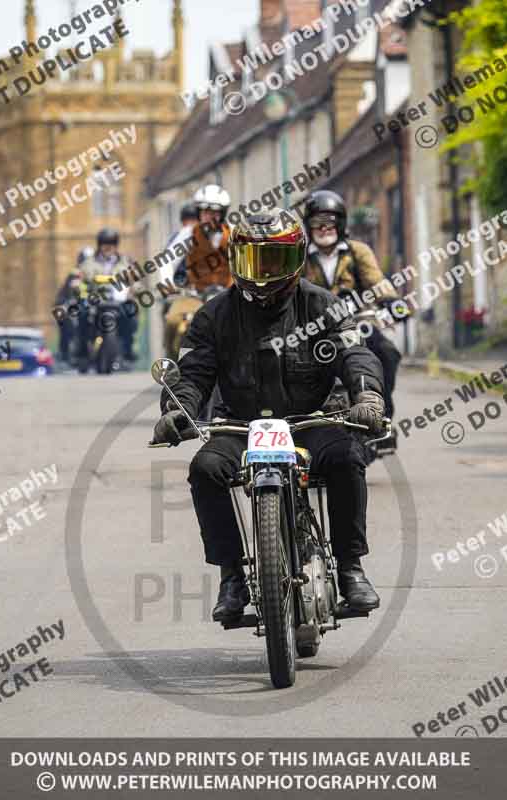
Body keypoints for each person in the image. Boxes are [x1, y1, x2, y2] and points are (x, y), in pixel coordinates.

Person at [152, 208, 386, 621]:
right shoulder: (213, 316)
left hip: (311, 420)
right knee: (205, 468)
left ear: (296, 259)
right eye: (251, 260)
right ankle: (231, 577)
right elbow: (194, 375)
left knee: (348, 457)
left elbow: (355, 355)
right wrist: (179, 410)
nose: (262, 273)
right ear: (236, 261)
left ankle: (351, 567)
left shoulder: (322, 306)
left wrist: (366, 398)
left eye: (273, 260)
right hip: (241, 425)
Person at [304, 190, 405, 419]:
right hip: (312, 329)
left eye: (330, 222)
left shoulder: (357, 251)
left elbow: (376, 281)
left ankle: (382, 414)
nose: (324, 228)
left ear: (340, 224)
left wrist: (393, 303)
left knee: (387, 353)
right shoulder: (300, 256)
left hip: (357, 324)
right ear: (308, 226)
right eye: (317, 222)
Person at [162, 186, 232, 359]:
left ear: (222, 214)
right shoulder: (188, 234)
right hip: (195, 294)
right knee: (172, 321)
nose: (210, 217)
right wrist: (167, 282)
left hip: (228, 295)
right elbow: (167, 260)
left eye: (215, 213)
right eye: (205, 212)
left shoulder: (234, 233)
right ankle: (172, 367)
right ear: (199, 213)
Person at [78, 228, 138, 370]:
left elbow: (135, 280)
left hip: (118, 301)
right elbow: (81, 275)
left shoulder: (126, 262)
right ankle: (81, 352)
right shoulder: (89, 262)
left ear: (116, 245)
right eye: (105, 244)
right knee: (82, 314)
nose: (108, 247)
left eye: (111, 244)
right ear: (99, 245)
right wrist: (81, 282)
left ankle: (128, 349)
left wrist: (136, 289)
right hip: (95, 299)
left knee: (131, 314)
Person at [54, 247, 94, 364]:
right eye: (84, 261)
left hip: (97, 305)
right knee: (64, 319)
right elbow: (64, 293)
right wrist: (62, 304)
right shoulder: (74, 274)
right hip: (79, 306)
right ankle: (65, 352)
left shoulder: (100, 272)